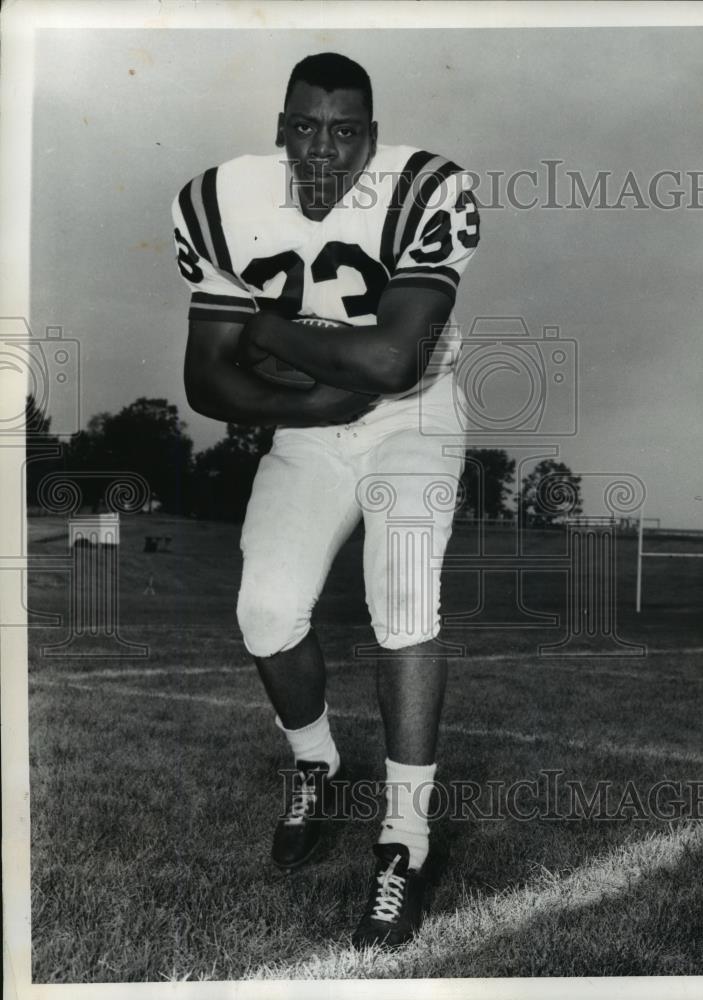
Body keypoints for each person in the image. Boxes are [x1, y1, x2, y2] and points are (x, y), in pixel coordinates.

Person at [171, 52, 480, 948]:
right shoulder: (220, 203)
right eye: (305, 126)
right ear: (280, 128)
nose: (323, 149)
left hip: (414, 420)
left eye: (345, 132)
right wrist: (312, 397)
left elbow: (392, 364)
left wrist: (266, 328)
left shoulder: (428, 189)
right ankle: (316, 762)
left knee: (404, 603)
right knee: (265, 609)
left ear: (372, 141)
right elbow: (204, 381)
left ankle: (405, 840)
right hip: (310, 424)